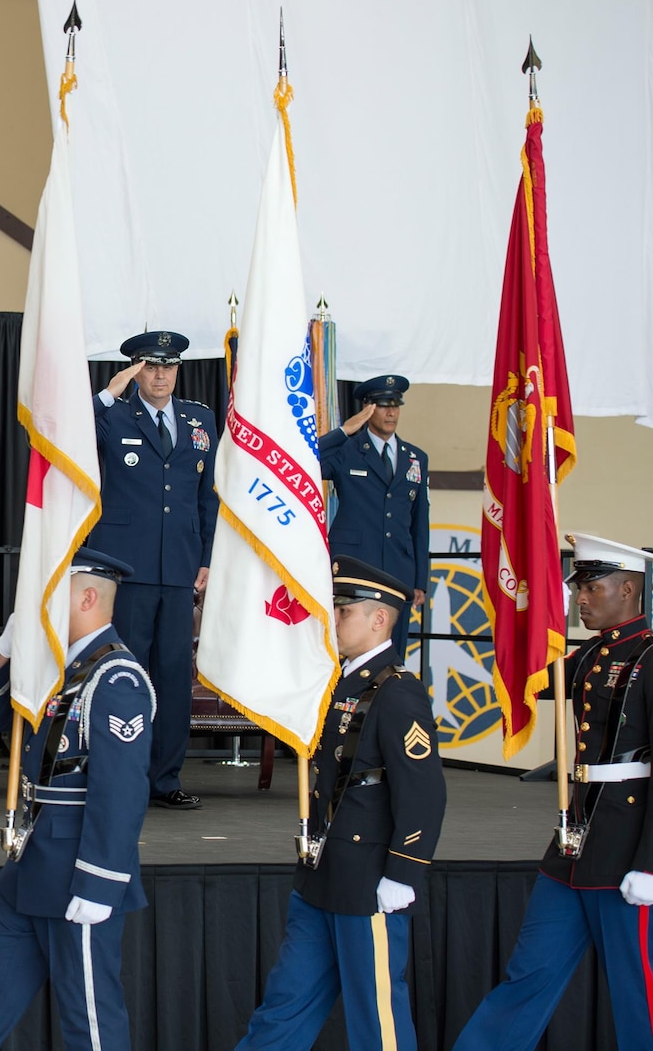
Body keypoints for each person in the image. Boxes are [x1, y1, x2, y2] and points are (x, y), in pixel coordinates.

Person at [0, 548, 155, 1051]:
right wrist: (6, 652)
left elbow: (120, 793)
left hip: (78, 872)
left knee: (89, 1023)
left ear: (89, 597)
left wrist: (99, 884)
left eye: (52, 592)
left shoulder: (116, 680)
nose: (39, 604)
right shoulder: (57, 667)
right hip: (29, 869)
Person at [235, 556, 446, 1051]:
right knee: (285, 1005)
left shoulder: (398, 693)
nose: (330, 618)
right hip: (322, 873)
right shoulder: (336, 682)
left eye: (343, 610)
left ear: (379, 619)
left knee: (376, 1016)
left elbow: (424, 792)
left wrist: (404, 871)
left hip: (367, 877)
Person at [453, 534, 653, 1051]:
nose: (580, 598)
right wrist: (529, 610)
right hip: (574, 846)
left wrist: (650, 864)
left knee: (638, 993)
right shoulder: (591, 654)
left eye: (591, 586)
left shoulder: (650, 656)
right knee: (529, 975)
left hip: (628, 851)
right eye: (576, 587)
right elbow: (525, 681)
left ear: (629, 588)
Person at [88, 330, 217, 810]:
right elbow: (68, 430)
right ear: (135, 371)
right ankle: (122, 775)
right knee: (127, 674)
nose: (160, 374)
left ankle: (165, 779)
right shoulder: (114, 413)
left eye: (168, 365)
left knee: (173, 676)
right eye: (149, 366)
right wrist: (110, 390)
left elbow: (209, 496)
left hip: (180, 567)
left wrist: (206, 555)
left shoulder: (200, 419)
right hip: (127, 566)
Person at [318, 375, 429, 659]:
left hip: (397, 569)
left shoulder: (415, 457)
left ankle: (387, 702)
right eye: (383, 405)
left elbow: (419, 521)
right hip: (355, 565)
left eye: (395, 405)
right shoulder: (347, 449)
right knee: (346, 642)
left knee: (394, 648)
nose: (391, 412)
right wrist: (345, 430)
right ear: (367, 408)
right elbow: (308, 460)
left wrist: (420, 580)